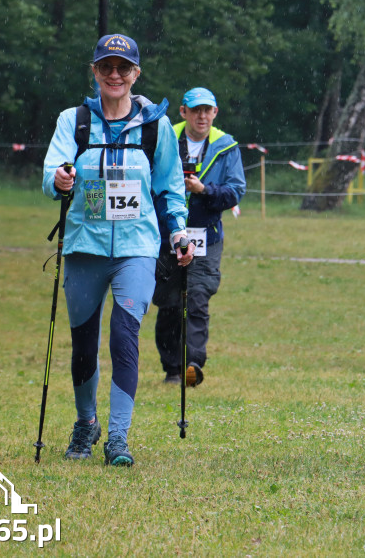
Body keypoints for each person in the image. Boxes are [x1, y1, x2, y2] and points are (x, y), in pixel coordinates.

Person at [42, 33, 194, 467]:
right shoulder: (74, 121)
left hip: (137, 248)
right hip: (85, 249)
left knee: (125, 337)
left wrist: (179, 233)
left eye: (122, 68)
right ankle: (86, 424)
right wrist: (58, 181)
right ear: (94, 72)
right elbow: (51, 171)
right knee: (83, 344)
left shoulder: (154, 125)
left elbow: (169, 187)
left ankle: (119, 439)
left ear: (135, 74)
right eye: (106, 67)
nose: (114, 75)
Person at [153, 87, 246, 387]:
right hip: (168, 235)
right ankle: (172, 369)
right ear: (183, 112)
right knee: (168, 303)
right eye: (195, 110)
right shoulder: (164, 137)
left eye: (207, 110)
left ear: (215, 113)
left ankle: (193, 365)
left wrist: (204, 190)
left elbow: (235, 191)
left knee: (197, 299)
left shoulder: (226, 146)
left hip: (207, 237)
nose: (202, 116)